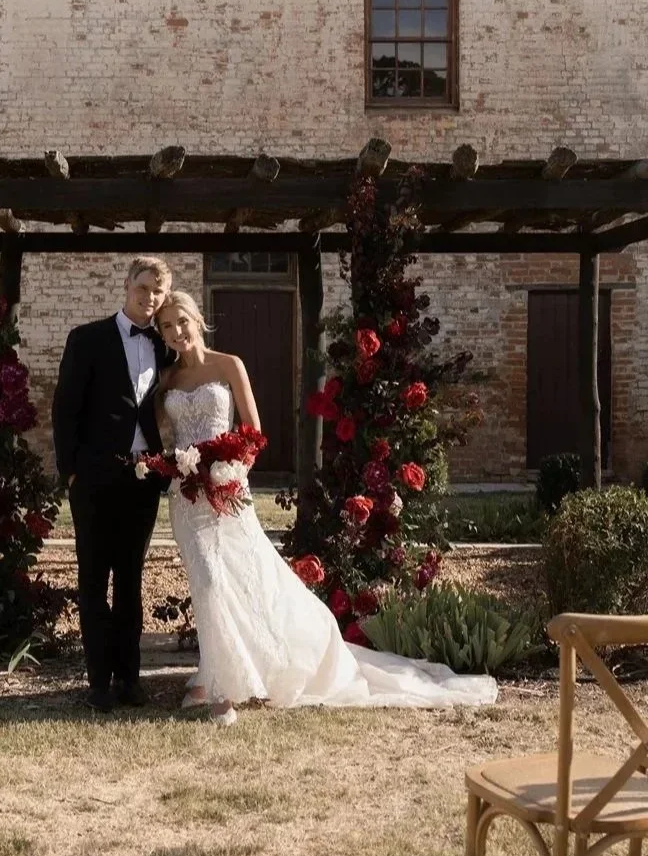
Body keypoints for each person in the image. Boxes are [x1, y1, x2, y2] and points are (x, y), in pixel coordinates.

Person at [154, 289, 498, 725]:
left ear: (197, 318)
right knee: (205, 581)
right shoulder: (167, 381)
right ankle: (214, 677)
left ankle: (226, 685)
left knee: (239, 579)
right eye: (167, 326)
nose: (176, 332)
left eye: (181, 321)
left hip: (229, 490)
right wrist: (175, 466)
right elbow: (162, 437)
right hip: (187, 497)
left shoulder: (229, 365)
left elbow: (253, 433)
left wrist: (230, 472)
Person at [52, 256, 176, 713]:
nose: (149, 298)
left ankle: (130, 679)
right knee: (93, 580)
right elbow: (65, 408)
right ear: (126, 285)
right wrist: (70, 471)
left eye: (158, 292)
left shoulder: (165, 347)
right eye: (143, 288)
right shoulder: (87, 339)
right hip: (94, 479)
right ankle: (98, 684)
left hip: (143, 479)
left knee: (130, 581)